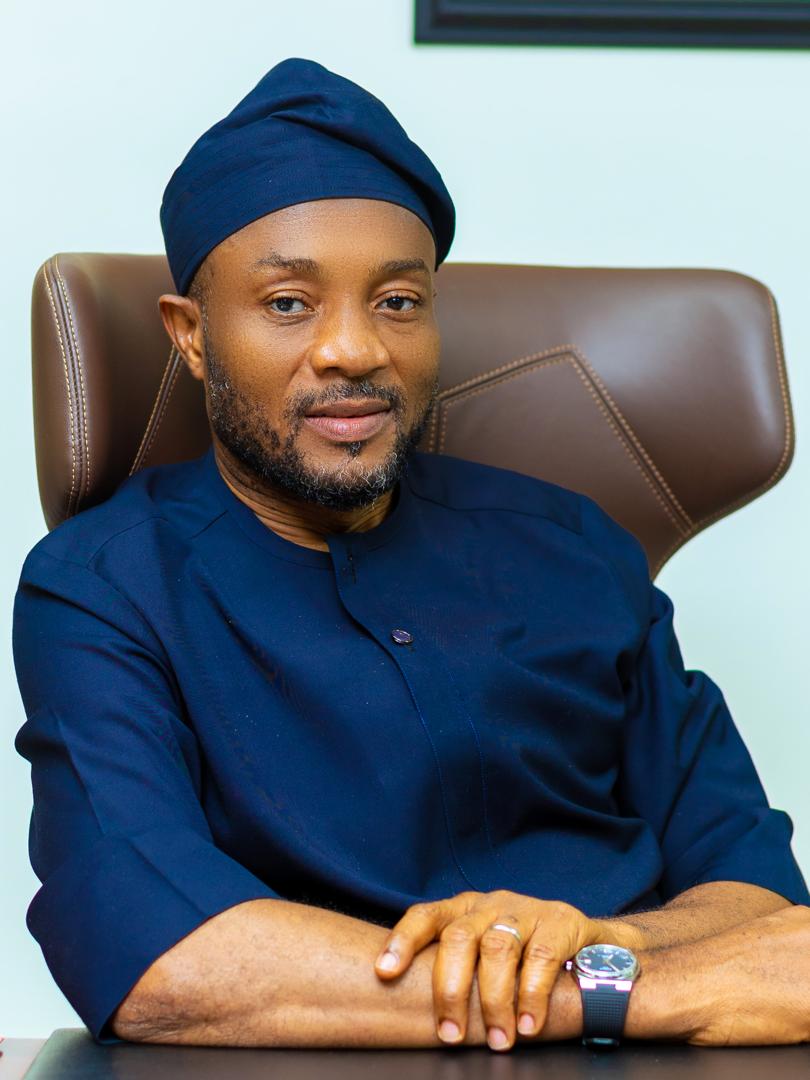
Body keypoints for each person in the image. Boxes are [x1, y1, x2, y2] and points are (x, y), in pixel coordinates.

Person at [13, 58, 807, 1053]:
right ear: (193, 337)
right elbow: (162, 961)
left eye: (397, 301)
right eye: (289, 304)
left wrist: (610, 943)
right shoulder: (102, 587)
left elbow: (762, 904)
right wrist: (612, 993)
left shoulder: (577, 549)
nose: (355, 350)